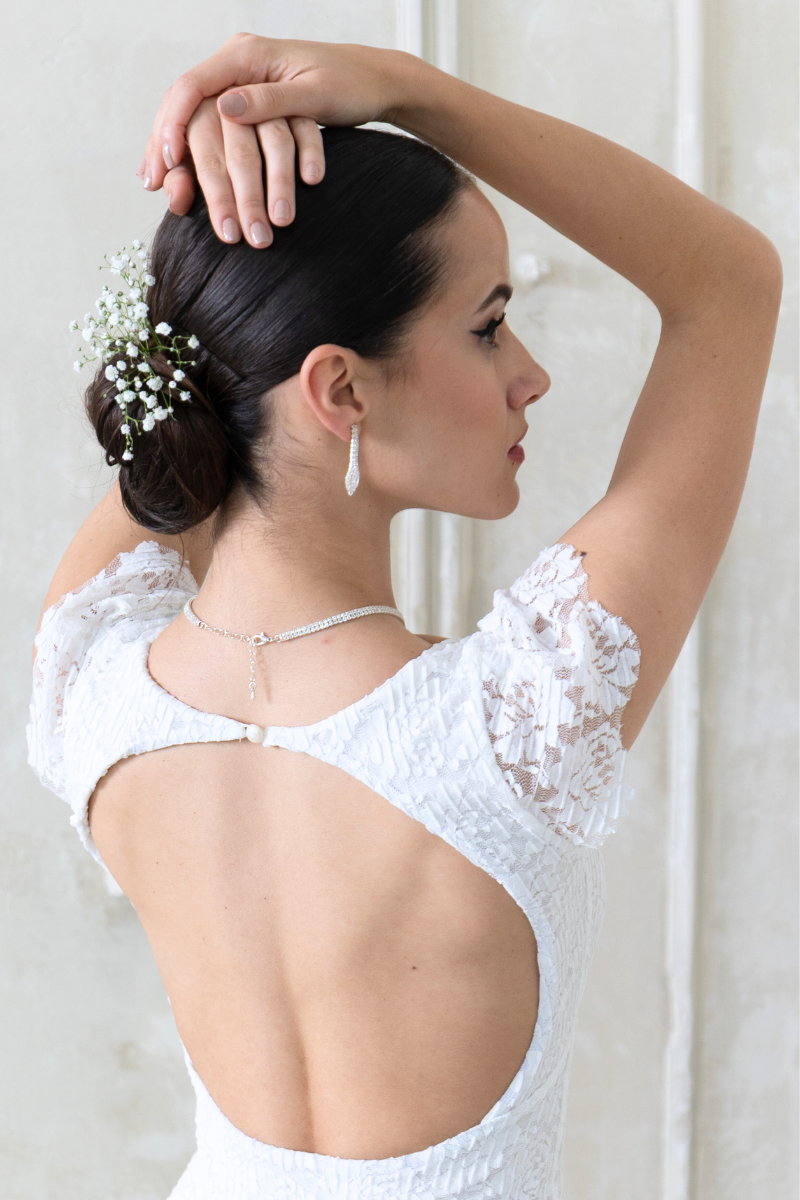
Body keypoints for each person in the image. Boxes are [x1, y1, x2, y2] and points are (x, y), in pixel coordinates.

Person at [28, 34, 781, 1200]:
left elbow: (187, 412)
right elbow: (728, 283)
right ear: (339, 387)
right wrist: (407, 89)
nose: (529, 374)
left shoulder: (91, 693)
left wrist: (221, 252)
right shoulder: (520, 721)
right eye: (486, 326)